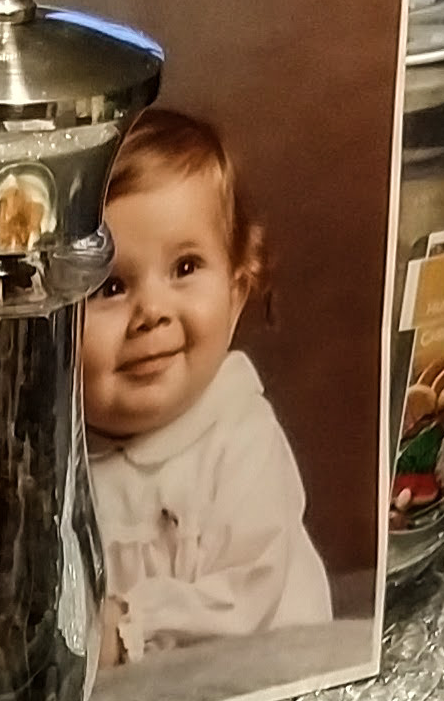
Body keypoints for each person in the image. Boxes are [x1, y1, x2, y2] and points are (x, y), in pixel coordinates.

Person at [80, 107, 338, 664]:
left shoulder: (239, 435)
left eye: (185, 267)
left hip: (261, 679)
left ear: (237, 292)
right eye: (112, 285)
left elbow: (249, 594)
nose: (151, 312)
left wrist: (132, 627)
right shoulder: (55, 459)